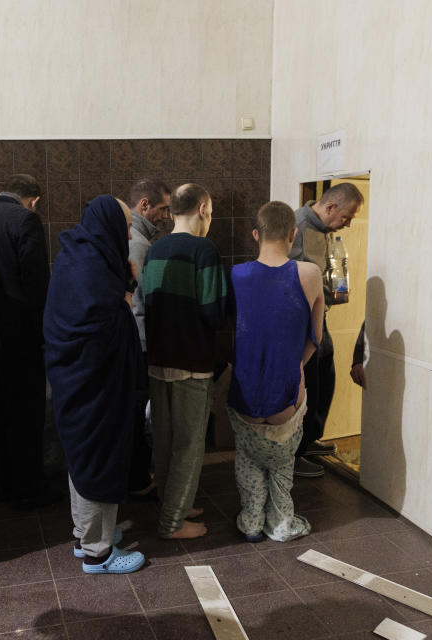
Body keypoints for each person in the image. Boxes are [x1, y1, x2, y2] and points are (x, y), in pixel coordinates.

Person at [45, 194, 146, 574]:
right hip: (91, 383)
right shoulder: (90, 265)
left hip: (82, 380)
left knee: (90, 455)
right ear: (109, 227)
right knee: (96, 455)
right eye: (126, 225)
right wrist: (127, 292)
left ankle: (88, 534)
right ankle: (97, 553)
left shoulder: (82, 254)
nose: (131, 231)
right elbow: (102, 324)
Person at [228, 201, 324, 543]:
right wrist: (295, 365)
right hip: (287, 391)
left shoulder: (236, 275)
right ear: (292, 233)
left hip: (245, 391)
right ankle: (281, 522)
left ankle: (251, 520)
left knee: (249, 463)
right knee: (282, 468)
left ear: (256, 234)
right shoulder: (310, 274)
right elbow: (317, 338)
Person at [142, 183, 228, 539]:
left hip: (158, 357)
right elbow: (213, 311)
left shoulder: (154, 248)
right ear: (203, 208)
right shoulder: (204, 249)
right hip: (192, 358)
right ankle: (173, 522)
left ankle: (173, 502)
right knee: (190, 444)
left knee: (164, 440)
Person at [0, 174, 55, 508]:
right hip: (21, 333)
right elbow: (37, 281)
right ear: (34, 199)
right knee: (26, 413)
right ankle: (26, 487)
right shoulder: (26, 219)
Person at [288, 182, 364, 477]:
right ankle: (294, 453)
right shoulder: (295, 226)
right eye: (347, 216)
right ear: (330, 207)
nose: (348, 222)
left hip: (320, 315)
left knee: (325, 378)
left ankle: (308, 441)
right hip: (299, 320)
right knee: (305, 385)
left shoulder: (327, 233)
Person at [126, 179, 171, 500]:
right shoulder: (139, 246)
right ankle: (139, 478)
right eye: (162, 208)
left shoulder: (134, 239)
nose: (165, 216)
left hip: (131, 342)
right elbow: (143, 303)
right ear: (144, 205)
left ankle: (137, 476)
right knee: (138, 415)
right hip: (139, 343)